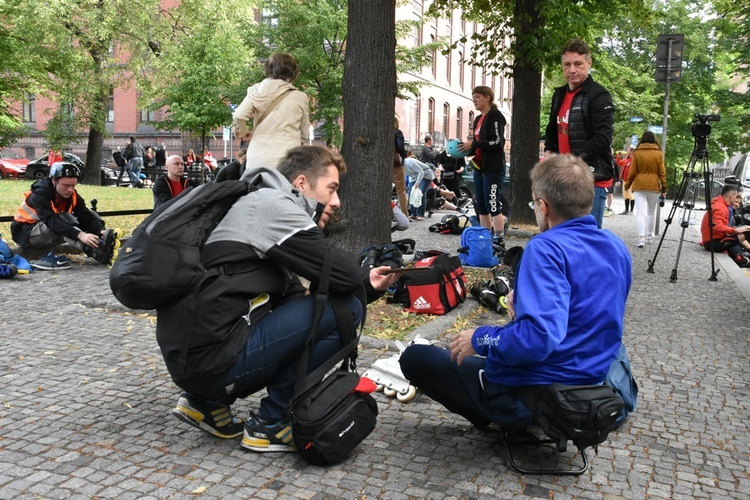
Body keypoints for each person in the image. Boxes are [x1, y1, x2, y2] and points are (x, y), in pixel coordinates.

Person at [160, 145, 400, 452]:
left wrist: (366, 284)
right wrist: (362, 279)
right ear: (301, 184)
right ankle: (271, 422)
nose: (337, 201)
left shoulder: (253, 202)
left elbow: (299, 298)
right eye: (332, 189)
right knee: (346, 309)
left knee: (315, 306)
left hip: (191, 360)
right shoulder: (276, 205)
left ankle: (208, 403)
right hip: (211, 361)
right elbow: (341, 273)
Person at [399, 154, 633, 429]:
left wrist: (482, 338)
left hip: (543, 393)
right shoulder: (615, 246)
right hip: (593, 382)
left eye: (534, 203)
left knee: (415, 358)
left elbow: (538, 338)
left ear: (543, 207)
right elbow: (587, 311)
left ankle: (495, 413)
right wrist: (523, 305)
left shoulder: (546, 248)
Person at [544, 39, 615, 229]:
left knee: (587, 239)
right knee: (563, 236)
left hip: (591, 179)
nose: (572, 70)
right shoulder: (559, 94)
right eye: (567, 64)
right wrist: (549, 150)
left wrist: (570, 162)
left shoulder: (599, 95)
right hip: (564, 178)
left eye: (578, 64)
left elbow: (602, 138)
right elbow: (552, 129)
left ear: (589, 64)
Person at [10, 162, 118, 270]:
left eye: (73, 185)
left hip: (46, 229)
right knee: (64, 220)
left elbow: (85, 215)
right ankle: (95, 251)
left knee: (89, 216)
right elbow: (52, 221)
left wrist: (101, 230)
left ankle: (102, 244)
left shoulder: (71, 194)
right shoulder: (39, 194)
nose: (70, 190)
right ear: (54, 180)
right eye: (66, 185)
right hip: (26, 233)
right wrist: (80, 235)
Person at [232, 52, 310, 171]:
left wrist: (243, 132)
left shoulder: (255, 91)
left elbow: (239, 115)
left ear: (268, 69)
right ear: (293, 72)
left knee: (257, 189)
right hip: (287, 159)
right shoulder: (300, 97)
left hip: (258, 158)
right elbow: (304, 133)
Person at [459, 86, 508, 247]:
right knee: (480, 203)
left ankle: (499, 238)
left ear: (488, 98)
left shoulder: (495, 117)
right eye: (473, 97)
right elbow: (477, 145)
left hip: (493, 166)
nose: (475, 100)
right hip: (479, 166)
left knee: (492, 202)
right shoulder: (478, 119)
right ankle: (485, 237)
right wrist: (463, 149)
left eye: (478, 97)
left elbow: (498, 142)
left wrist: (474, 143)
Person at [624, 131, 667, 247]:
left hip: (639, 185)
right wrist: (664, 188)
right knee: (651, 212)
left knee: (640, 212)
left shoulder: (637, 153)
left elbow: (632, 172)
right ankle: (649, 235)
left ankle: (641, 238)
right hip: (654, 186)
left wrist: (627, 185)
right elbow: (662, 173)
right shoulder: (658, 153)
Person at [700, 185, 750, 267]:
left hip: (715, 240)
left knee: (745, 231)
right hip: (713, 243)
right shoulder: (719, 207)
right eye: (735, 196)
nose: (735, 199)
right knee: (746, 234)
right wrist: (735, 231)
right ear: (731, 196)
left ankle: (742, 258)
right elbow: (717, 227)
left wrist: (733, 229)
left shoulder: (721, 205)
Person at [403, 151, 435, 220]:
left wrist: (417, 183)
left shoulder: (409, 162)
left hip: (425, 174)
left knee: (421, 193)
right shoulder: (400, 167)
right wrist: (412, 186)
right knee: (411, 193)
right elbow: (409, 175)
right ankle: (413, 213)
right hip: (414, 176)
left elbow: (421, 171)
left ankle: (421, 214)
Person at [393, 116, 409, 213]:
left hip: (384, 164)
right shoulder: (397, 132)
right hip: (396, 163)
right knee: (401, 191)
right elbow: (400, 146)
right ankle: (404, 214)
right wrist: (404, 155)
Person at [616, 148, 634, 214]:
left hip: (631, 180)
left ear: (632, 151)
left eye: (629, 150)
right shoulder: (626, 159)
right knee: (625, 195)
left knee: (631, 195)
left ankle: (631, 210)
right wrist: (618, 156)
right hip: (624, 180)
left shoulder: (634, 160)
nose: (627, 151)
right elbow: (619, 163)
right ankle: (626, 210)